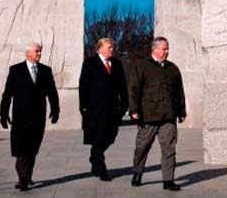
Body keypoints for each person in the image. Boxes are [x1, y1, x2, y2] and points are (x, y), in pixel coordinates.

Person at [0, 42, 60, 191]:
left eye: (40, 51)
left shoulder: (45, 70)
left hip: (38, 116)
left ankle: (27, 175)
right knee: (21, 149)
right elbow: (7, 94)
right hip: (21, 117)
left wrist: (55, 109)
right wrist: (3, 113)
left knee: (32, 149)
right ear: (28, 53)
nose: (40, 53)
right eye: (37, 51)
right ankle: (23, 179)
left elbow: (52, 92)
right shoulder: (16, 70)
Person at [128, 37, 186, 191]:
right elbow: (134, 89)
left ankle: (168, 180)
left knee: (169, 149)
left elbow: (179, 92)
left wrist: (181, 111)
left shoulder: (173, 68)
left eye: (168, 48)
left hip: (168, 115)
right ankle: (137, 173)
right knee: (142, 147)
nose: (167, 51)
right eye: (164, 48)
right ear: (154, 49)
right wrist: (134, 111)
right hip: (148, 115)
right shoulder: (141, 65)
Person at [78, 38, 129, 181]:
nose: (112, 49)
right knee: (99, 137)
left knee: (110, 136)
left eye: (112, 47)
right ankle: (101, 168)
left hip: (113, 109)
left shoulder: (117, 64)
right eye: (109, 47)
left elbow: (123, 86)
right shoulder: (90, 63)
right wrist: (83, 106)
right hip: (95, 109)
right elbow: (84, 85)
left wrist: (124, 105)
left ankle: (94, 157)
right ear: (100, 49)